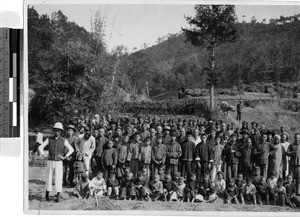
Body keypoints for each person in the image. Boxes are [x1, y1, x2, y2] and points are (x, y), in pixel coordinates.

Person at [38, 122, 74, 202]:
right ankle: (47, 195)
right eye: (55, 130)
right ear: (53, 131)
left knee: (58, 178)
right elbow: (40, 147)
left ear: (61, 131)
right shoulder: (49, 139)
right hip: (50, 162)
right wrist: (44, 155)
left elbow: (71, 149)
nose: (57, 132)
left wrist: (64, 156)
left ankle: (58, 196)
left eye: (58, 131)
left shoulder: (63, 140)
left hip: (58, 162)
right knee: (49, 178)